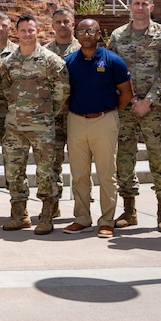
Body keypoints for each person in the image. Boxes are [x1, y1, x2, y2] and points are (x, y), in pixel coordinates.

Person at [107, 0, 161, 232]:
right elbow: (112, 71)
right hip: (125, 109)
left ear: (151, 7)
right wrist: (127, 99)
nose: (140, 7)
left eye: (144, 3)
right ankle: (129, 210)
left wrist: (147, 99)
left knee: (160, 161)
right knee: (124, 161)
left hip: (155, 109)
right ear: (130, 6)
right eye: (136, 3)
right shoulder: (117, 36)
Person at [0, 13, 69, 234]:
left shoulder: (51, 61)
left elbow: (62, 92)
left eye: (31, 30)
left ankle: (47, 216)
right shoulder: (8, 62)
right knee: (13, 172)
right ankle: (19, 215)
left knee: (46, 173)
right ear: (16, 33)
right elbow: (4, 90)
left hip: (42, 128)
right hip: (14, 128)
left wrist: (46, 113)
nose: (27, 34)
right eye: (23, 31)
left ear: (37, 31)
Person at [63, 19, 133, 238]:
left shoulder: (113, 61)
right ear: (76, 33)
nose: (86, 34)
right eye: (82, 30)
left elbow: (126, 93)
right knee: (79, 174)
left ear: (98, 34)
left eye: (91, 30)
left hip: (105, 120)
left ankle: (106, 221)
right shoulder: (68, 62)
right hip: (76, 120)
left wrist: (110, 112)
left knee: (106, 174)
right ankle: (82, 218)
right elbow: (63, 94)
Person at [45, 7, 81, 208]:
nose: (62, 25)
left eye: (66, 21)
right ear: (52, 26)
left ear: (73, 24)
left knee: (80, 164)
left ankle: (82, 207)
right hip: (53, 118)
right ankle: (53, 205)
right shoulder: (44, 52)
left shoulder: (83, 49)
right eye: (58, 22)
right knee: (52, 163)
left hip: (78, 115)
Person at [0, 11, 18, 145]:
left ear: (10, 28)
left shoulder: (18, 52)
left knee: (13, 159)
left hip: (10, 112)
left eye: (4, 25)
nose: (0, 28)